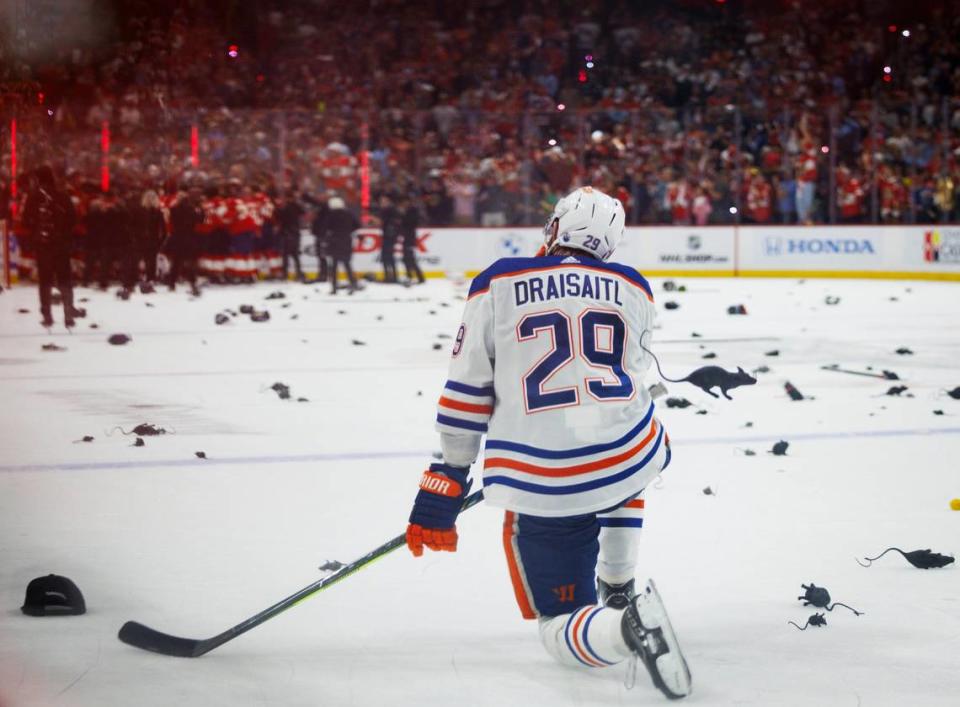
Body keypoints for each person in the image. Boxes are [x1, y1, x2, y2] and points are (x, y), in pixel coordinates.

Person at [405, 186, 691, 700]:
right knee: (634, 453)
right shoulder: (635, 287)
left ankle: (623, 629)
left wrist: (448, 474)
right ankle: (620, 582)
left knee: (558, 623)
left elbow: (468, 388)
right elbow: (627, 372)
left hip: (542, 479)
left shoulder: (498, 280)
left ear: (556, 228)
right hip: (627, 451)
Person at [21, 166, 77, 328]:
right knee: (65, 278)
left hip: (43, 244)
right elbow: (72, 218)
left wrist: (36, 231)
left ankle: (47, 315)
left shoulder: (33, 197)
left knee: (45, 280)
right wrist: (63, 233)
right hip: (61, 243)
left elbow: (26, 220)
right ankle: (68, 314)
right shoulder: (63, 196)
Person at [166, 187, 204, 294]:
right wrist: (200, 210)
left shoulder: (173, 209)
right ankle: (192, 282)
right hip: (189, 236)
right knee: (190, 261)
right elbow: (201, 220)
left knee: (176, 262)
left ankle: (172, 283)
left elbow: (171, 221)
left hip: (177, 236)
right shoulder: (192, 209)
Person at [324, 196, 359, 294]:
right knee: (347, 264)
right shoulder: (348, 214)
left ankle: (334, 287)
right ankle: (353, 283)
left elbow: (325, 228)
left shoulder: (331, 215)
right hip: (346, 241)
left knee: (334, 265)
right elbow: (357, 225)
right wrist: (347, 231)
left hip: (334, 242)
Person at [276, 191, 305, 281]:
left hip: (288, 233)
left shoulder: (287, 208)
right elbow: (303, 212)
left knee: (285, 255)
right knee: (295, 255)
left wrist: (278, 208)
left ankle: (285, 274)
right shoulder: (296, 206)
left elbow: (281, 218)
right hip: (296, 233)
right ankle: (299, 273)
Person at [398, 194, 425, 285]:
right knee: (406, 259)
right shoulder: (408, 211)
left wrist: (403, 215)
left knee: (410, 259)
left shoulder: (412, 211)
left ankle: (419, 277)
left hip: (410, 238)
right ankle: (409, 276)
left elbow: (410, 223)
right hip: (407, 238)